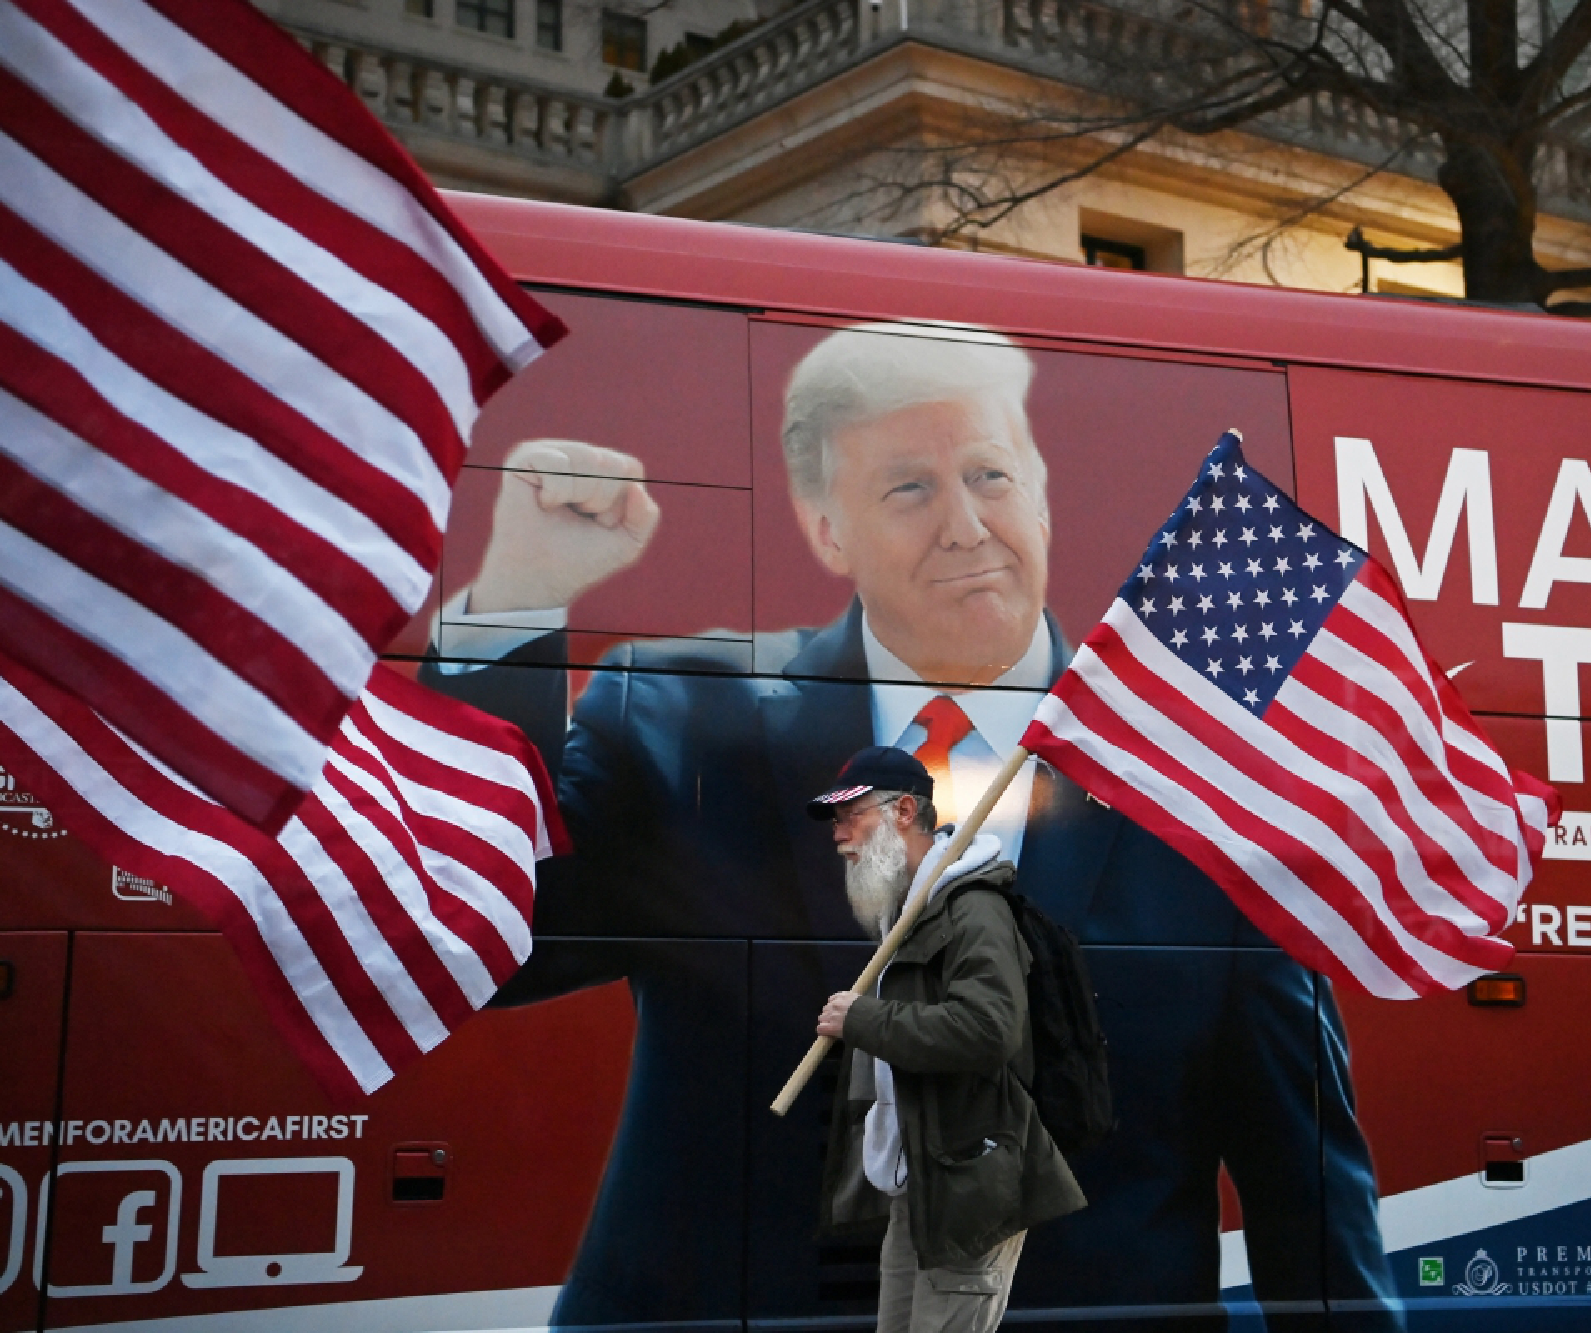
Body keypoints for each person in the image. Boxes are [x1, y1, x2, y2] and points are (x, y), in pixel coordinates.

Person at [428, 325, 1401, 1328]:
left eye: (989, 474)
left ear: (1040, 492)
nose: (967, 526)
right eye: (908, 489)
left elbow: (1309, 1198)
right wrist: (514, 600)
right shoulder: (678, 720)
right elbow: (488, 943)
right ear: (824, 527)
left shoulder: (1195, 785)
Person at [807, 745, 1084, 1332]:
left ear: (904, 811)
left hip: (968, 1186)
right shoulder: (911, 909)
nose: (838, 834)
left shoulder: (972, 908)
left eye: (849, 815)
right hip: (926, 1183)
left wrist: (862, 1020)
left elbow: (988, 1030)